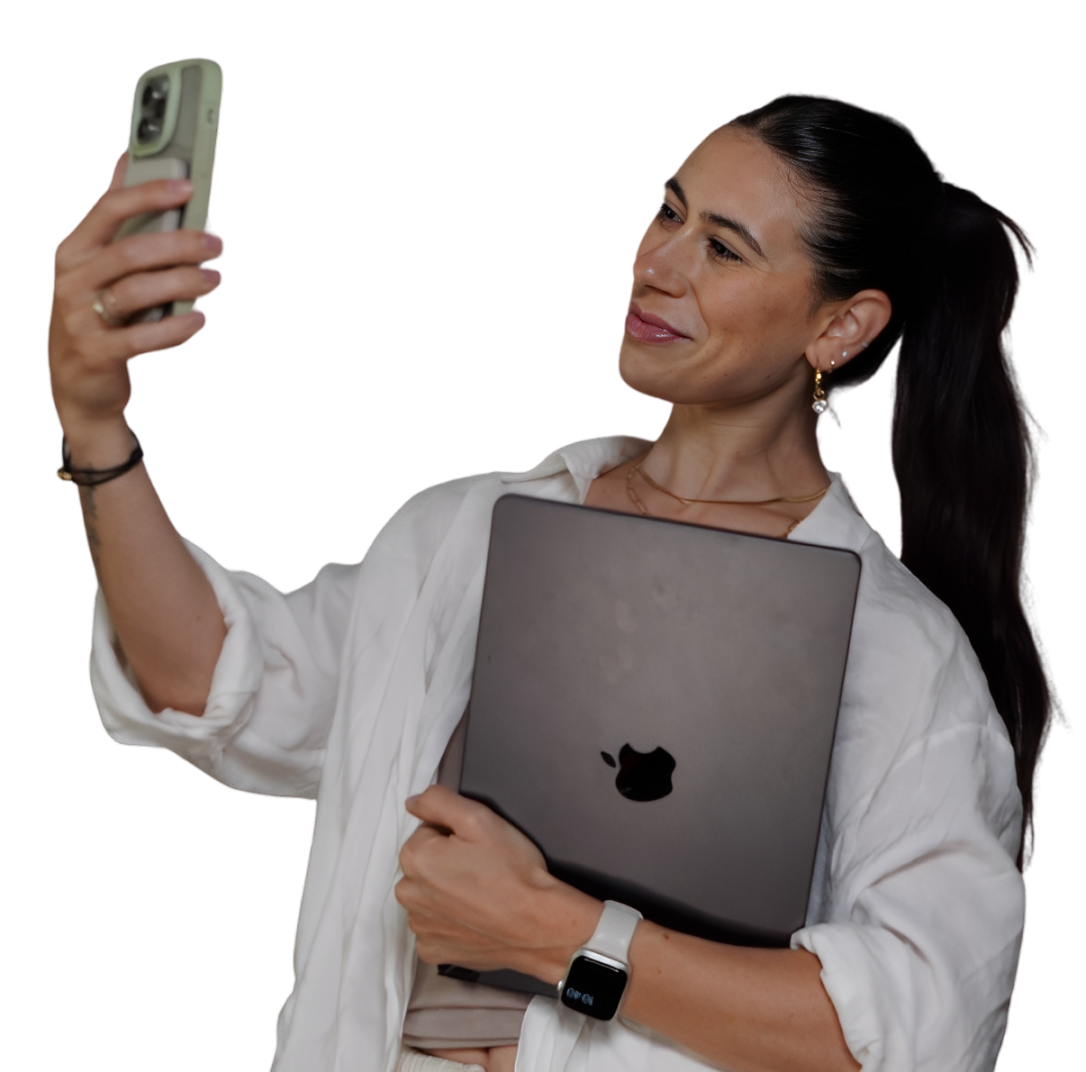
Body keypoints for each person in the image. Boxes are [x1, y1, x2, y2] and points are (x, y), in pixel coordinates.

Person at [48, 95, 1066, 1072]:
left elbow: (921, 1037)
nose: (655, 266)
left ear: (840, 329)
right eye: (667, 212)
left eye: (723, 249)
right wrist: (93, 421)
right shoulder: (462, 533)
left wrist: (563, 935)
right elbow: (206, 679)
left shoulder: (896, 651)